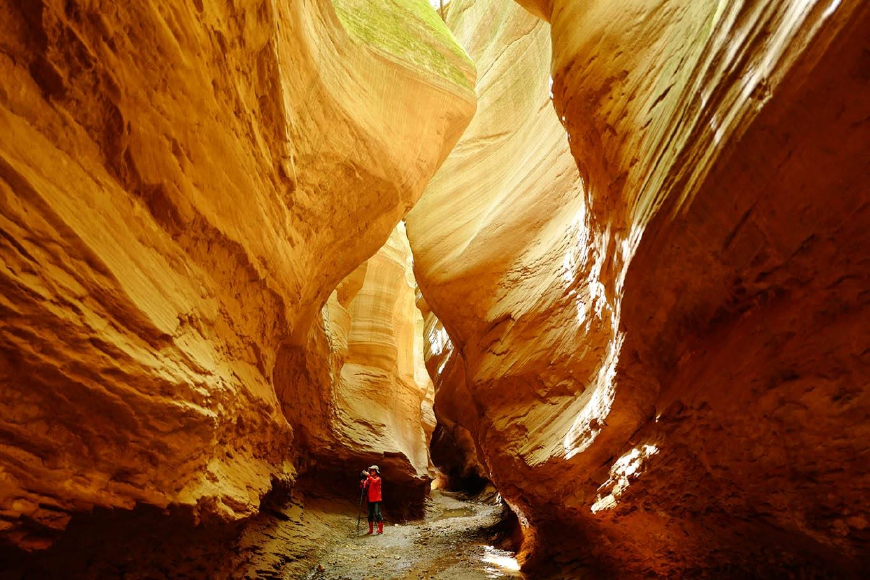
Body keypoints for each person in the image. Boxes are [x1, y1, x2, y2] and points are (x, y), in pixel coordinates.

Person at [360, 465, 383, 534]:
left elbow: (374, 482)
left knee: (377, 513)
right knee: (370, 514)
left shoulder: (378, 478)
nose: (371, 472)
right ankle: (371, 530)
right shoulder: (368, 479)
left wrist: (368, 476)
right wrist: (362, 483)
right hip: (369, 499)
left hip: (376, 499)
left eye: (373, 470)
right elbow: (363, 487)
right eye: (371, 470)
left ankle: (380, 529)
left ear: (376, 471)